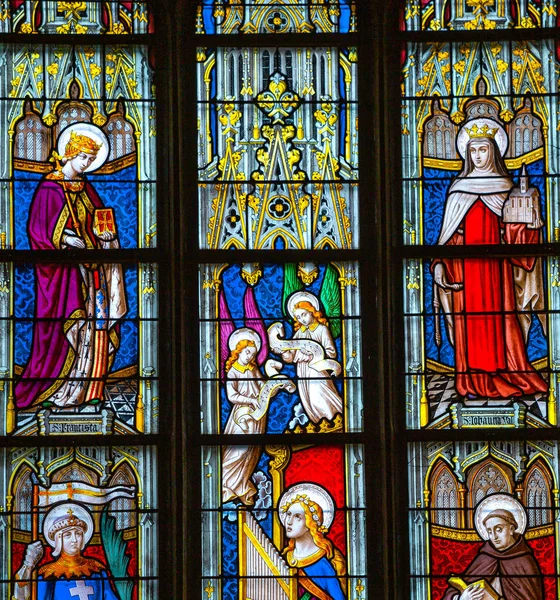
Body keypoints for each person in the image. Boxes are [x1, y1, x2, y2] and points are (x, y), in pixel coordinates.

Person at [15, 123, 127, 411]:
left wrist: (106, 239)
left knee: (94, 331)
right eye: (83, 158)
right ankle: (62, 391)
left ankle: (87, 390)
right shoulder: (50, 188)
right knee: (69, 330)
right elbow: (37, 231)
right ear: (68, 154)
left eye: (91, 159)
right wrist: (65, 239)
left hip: (93, 276)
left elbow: (101, 225)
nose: (87, 163)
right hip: (64, 278)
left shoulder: (86, 189)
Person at [433, 118, 547, 399]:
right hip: (466, 273)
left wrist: (529, 225)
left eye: (483, 150)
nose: (477, 156)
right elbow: (448, 236)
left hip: (497, 272)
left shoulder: (506, 187)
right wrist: (438, 265)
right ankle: (472, 382)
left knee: (501, 322)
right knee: (470, 325)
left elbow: (513, 233)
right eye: (473, 151)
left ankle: (507, 373)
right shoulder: (458, 191)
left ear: (494, 151)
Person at [443, 494, 543, 600]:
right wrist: (461, 598)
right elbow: (454, 591)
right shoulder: (485, 557)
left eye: (499, 529)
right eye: (490, 531)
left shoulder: (524, 560)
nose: (494, 537)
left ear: (511, 529)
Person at [14, 503, 120, 600]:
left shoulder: (97, 569)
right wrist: (28, 565)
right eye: (67, 535)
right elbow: (27, 597)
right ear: (58, 540)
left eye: (78, 534)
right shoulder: (48, 574)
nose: (74, 539)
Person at [281, 292, 343, 423]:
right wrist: (284, 351)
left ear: (312, 312)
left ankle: (332, 421)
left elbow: (331, 353)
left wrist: (313, 354)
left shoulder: (322, 330)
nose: (301, 319)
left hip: (317, 371)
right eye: (298, 317)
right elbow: (290, 357)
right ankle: (319, 424)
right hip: (303, 373)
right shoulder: (299, 333)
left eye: (303, 314)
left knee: (319, 399)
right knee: (308, 401)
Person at [279, 483, 347, 600]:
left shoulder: (323, 566)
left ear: (310, 525)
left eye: (297, 517)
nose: (289, 521)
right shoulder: (284, 558)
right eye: (288, 514)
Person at [222, 328, 265, 505]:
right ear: (238, 350)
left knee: (251, 451)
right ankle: (226, 481)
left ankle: (240, 484)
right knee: (238, 450)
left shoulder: (253, 369)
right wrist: (249, 400)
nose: (249, 356)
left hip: (257, 416)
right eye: (247, 352)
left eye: (253, 354)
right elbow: (232, 396)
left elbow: (262, 385)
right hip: (241, 416)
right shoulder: (233, 371)